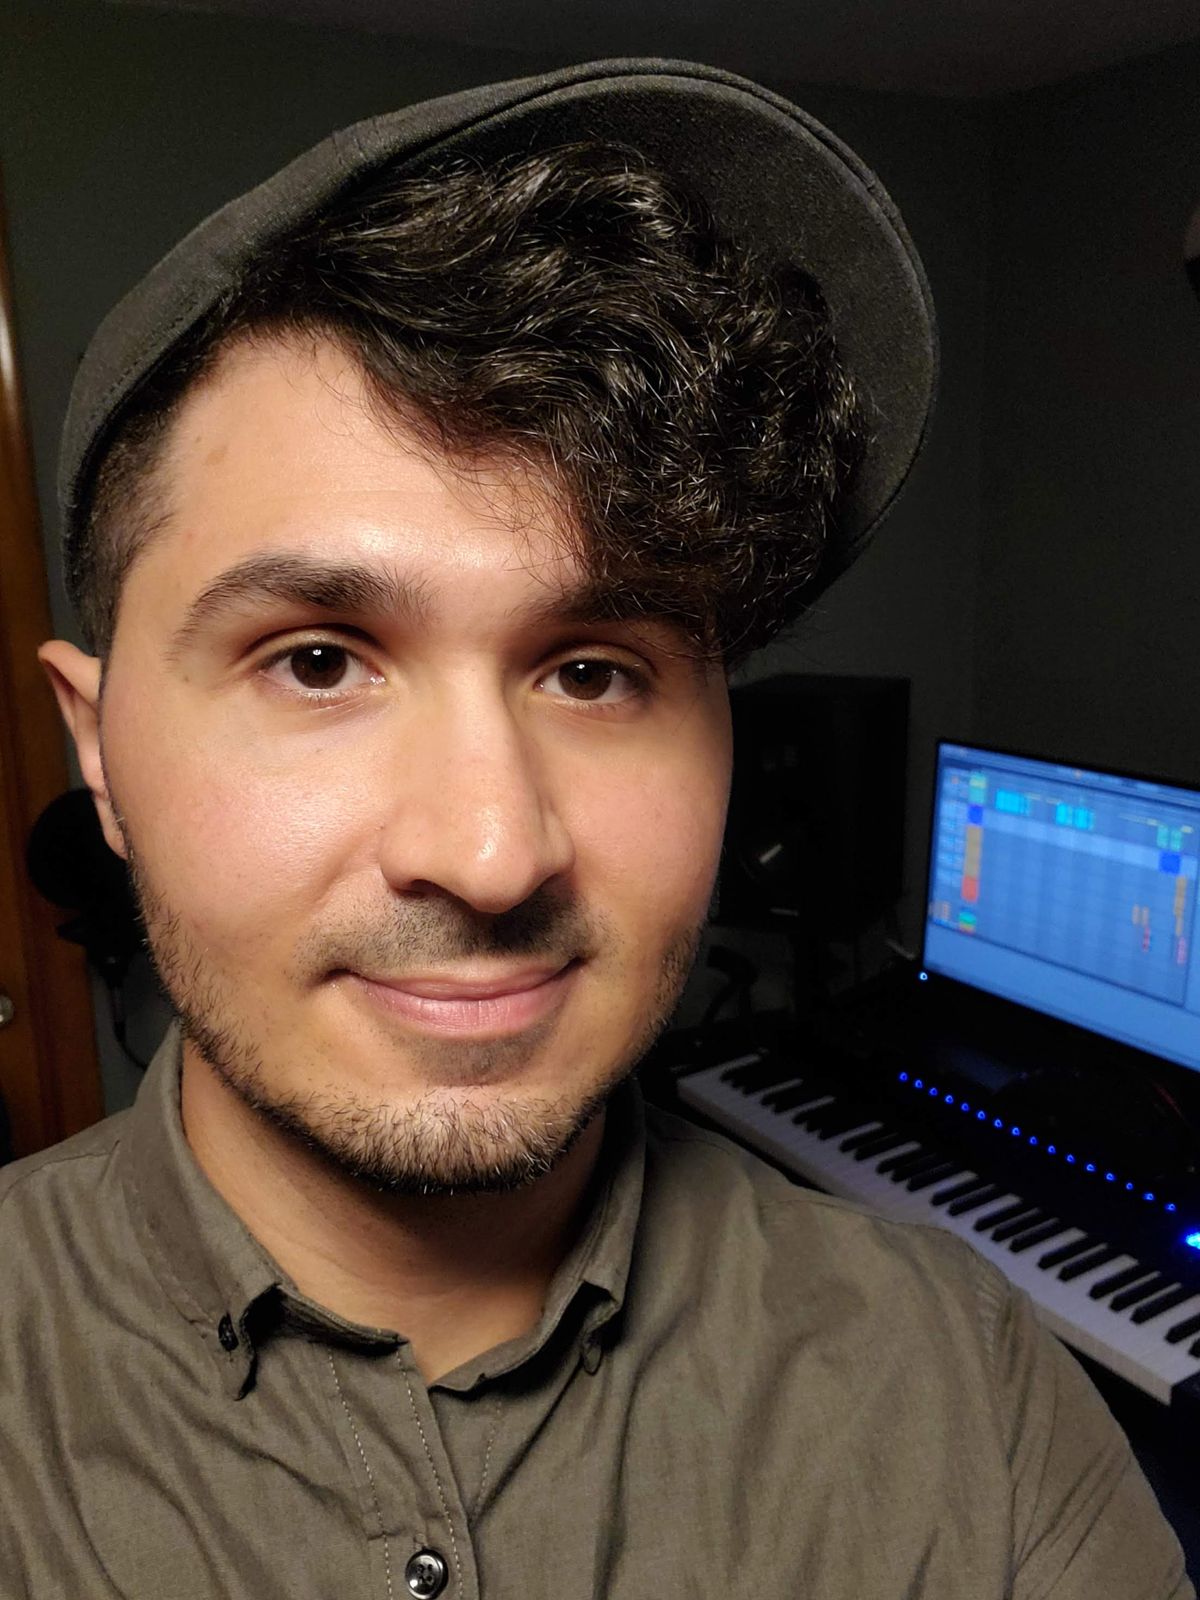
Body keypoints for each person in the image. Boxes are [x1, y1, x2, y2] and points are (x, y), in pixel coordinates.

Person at [2, 58, 1191, 1600]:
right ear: (100, 750)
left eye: (592, 671)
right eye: (318, 662)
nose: (493, 853)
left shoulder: (977, 1405)